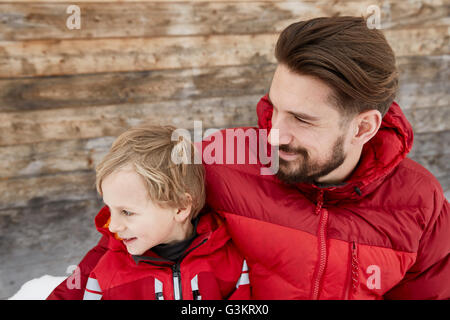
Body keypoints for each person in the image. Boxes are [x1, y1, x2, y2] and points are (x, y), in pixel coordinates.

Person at [201, 16, 449, 299]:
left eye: (301, 119)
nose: (274, 136)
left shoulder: (421, 202)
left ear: (363, 127)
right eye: (275, 107)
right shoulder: (218, 163)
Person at [47, 124, 249, 300]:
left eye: (126, 212)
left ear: (180, 207)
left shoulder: (230, 262)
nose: (114, 226)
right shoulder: (107, 275)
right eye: (110, 209)